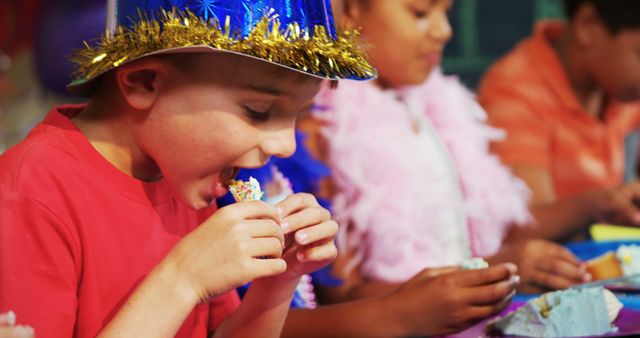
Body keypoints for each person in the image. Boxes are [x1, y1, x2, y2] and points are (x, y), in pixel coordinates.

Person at [0, 0, 375, 336]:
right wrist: (182, 280)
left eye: (298, 114)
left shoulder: (183, 174)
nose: (285, 145)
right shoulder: (29, 196)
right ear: (145, 83)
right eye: (258, 112)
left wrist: (278, 282)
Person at [298, 0, 592, 302]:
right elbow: (342, 297)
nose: (444, 31)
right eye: (421, 13)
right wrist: (487, 272)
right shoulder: (323, 125)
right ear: (353, 11)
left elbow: (483, 236)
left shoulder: (436, 108)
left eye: (446, 12)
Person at [478, 0, 640, 243]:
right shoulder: (515, 92)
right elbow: (521, 229)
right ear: (588, 25)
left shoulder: (620, 87)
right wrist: (595, 204)